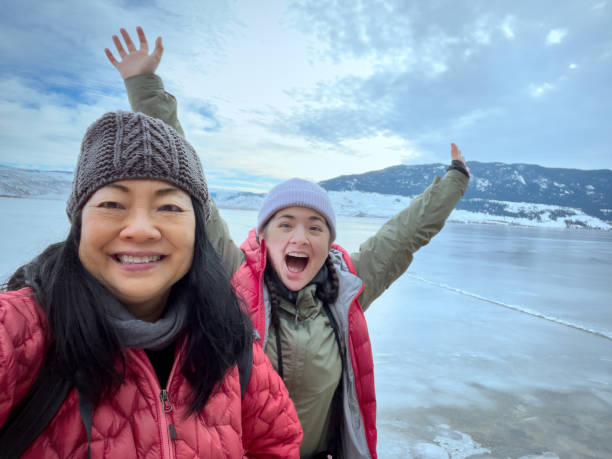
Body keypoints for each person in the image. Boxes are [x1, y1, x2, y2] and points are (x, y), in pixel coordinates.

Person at [106, 27, 470, 459]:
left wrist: (455, 181)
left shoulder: (346, 290)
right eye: (286, 224)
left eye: (316, 227)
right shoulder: (234, 274)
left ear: (329, 242)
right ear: (263, 235)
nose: (300, 237)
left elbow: (404, 234)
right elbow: (192, 188)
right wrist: (145, 86)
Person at [0, 111, 302, 458]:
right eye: (112, 204)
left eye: (169, 206)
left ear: (197, 232)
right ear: (79, 225)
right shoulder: (19, 332)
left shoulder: (229, 341)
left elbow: (277, 443)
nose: (141, 229)